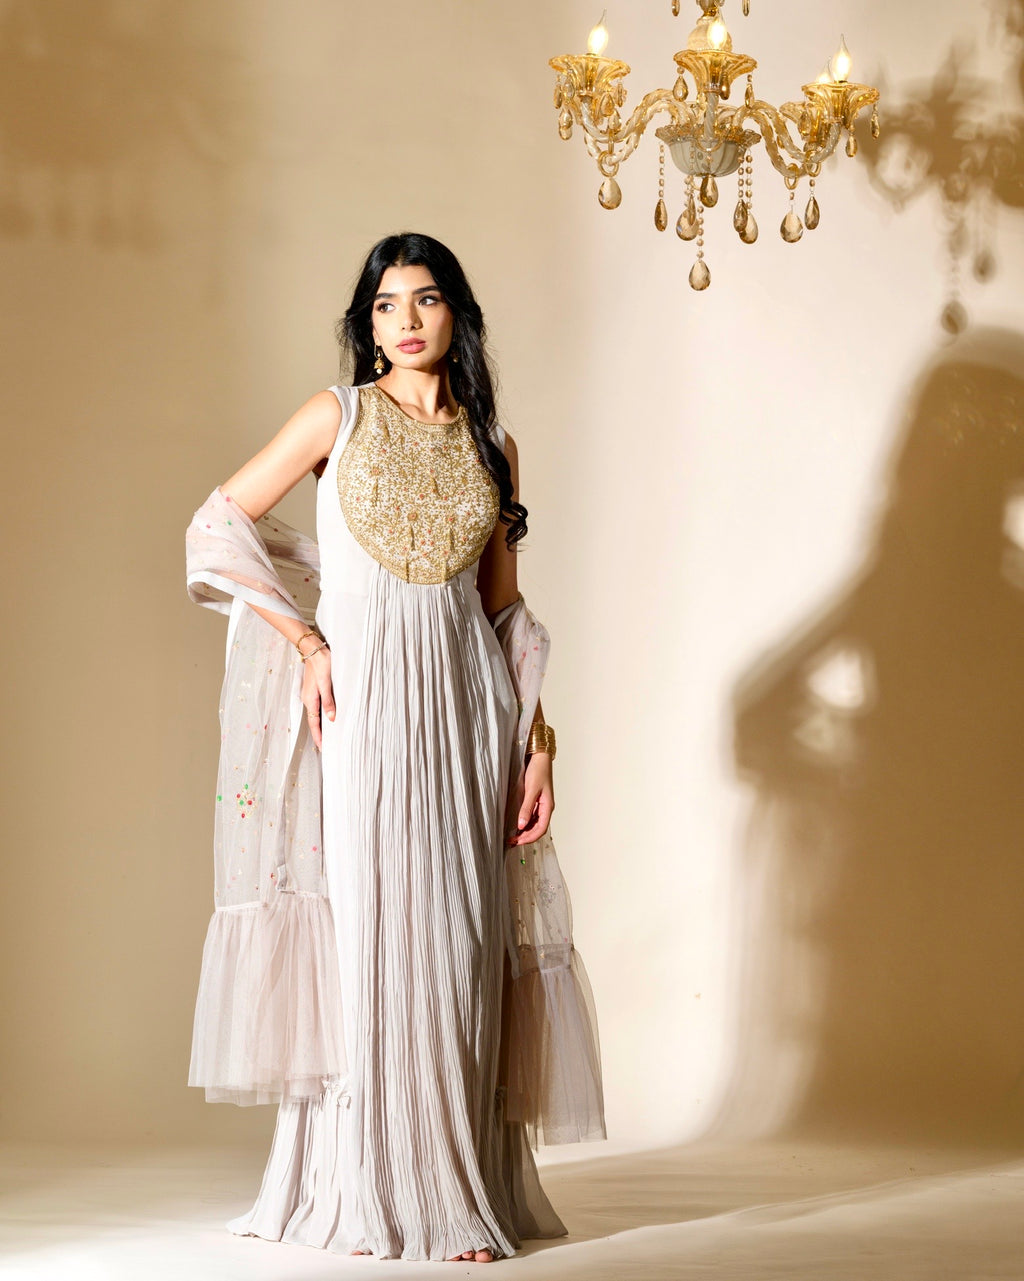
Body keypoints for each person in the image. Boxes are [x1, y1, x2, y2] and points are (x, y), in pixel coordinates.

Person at [184, 232, 606, 1263]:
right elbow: (217, 524)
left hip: (467, 713)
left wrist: (538, 744)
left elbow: (504, 615)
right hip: (362, 709)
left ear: (455, 313)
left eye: (424, 300)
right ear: (365, 321)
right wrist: (306, 637)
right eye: (384, 304)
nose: (405, 320)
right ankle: (366, 1185)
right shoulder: (335, 415)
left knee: (461, 941)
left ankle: (459, 1188)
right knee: (370, 935)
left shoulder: (492, 446)